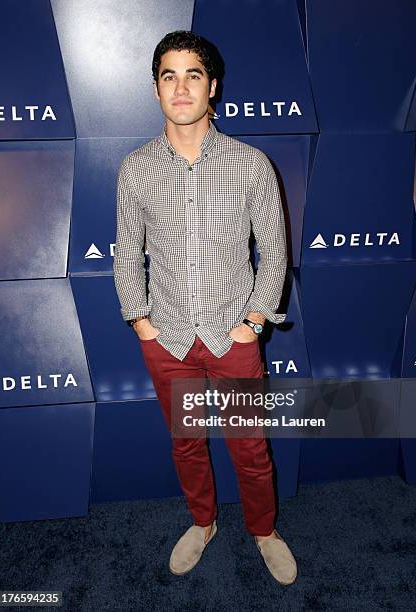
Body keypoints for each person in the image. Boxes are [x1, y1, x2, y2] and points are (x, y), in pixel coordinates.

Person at [113, 30, 297, 585]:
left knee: (249, 444)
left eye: (193, 74)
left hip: (233, 334)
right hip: (167, 338)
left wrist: (254, 322)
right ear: (156, 89)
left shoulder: (250, 164)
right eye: (169, 75)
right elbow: (126, 256)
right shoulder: (135, 169)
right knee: (187, 443)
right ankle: (202, 521)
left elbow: (275, 252)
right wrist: (141, 322)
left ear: (212, 86)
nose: (181, 86)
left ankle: (263, 530)